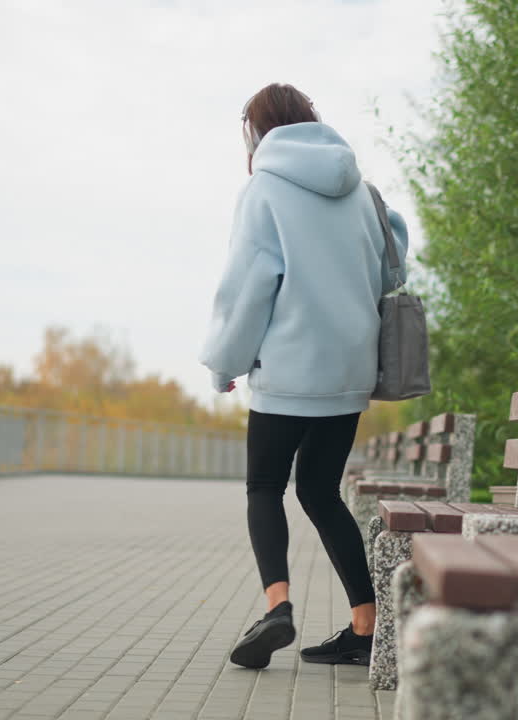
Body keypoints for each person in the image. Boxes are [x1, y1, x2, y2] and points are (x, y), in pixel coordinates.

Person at [198, 82, 409, 670]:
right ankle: (366, 627)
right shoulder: (361, 192)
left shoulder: (264, 189)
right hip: (347, 374)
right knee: (319, 491)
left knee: (265, 488)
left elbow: (247, 286)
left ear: (257, 132)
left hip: (287, 370)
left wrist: (224, 363)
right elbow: (395, 264)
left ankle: (278, 607)